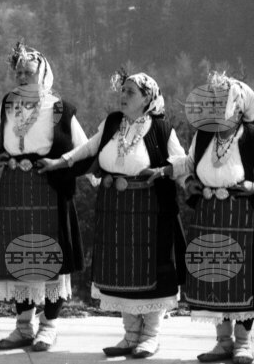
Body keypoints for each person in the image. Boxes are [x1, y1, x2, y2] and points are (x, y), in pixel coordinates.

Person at [39, 70, 186, 358]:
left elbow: (180, 162)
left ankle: (150, 336)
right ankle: (130, 336)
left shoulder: (161, 129)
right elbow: (88, 148)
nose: (123, 96)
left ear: (147, 98)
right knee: (120, 271)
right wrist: (59, 163)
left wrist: (182, 179)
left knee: (151, 270)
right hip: (114, 209)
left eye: (131, 92)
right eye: (123, 90)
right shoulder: (112, 123)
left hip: (149, 211)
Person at [0, 43, 89, 352]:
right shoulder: (8, 104)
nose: (21, 77)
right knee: (20, 257)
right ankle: (23, 328)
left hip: (48, 188)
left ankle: (49, 327)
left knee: (50, 258)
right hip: (14, 188)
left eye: (28, 73)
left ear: (43, 75)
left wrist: (96, 175)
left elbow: (82, 147)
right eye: (18, 72)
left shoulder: (59, 108)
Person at [174, 72, 254, 364]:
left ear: (238, 105)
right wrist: (187, 182)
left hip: (241, 215)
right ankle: (223, 342)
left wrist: (252, 186)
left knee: (242, 280)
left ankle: (244, 343)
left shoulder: (251, 136)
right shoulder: (205, 134)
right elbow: (187, 164)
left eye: (221, 102)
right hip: (209, 214)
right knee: (215, 276)